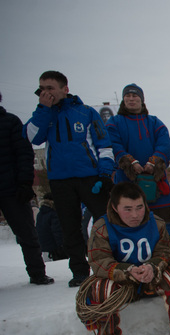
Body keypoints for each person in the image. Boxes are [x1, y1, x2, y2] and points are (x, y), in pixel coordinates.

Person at [77, 181, 170, 335]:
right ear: (114, 207)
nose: (135, 215)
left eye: (139, 207)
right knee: (99, 287)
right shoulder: (102, 227)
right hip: (122, 281)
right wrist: (127, 271)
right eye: (127, 209)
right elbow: (99, 261)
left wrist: (153, 266)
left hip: (152, 276)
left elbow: (165, 251)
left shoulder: (156, 223)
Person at [24, 70, 115, 287]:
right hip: (60, 180)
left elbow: (103, 143)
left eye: (50, 88)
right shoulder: (44, 114)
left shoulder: (86, 112)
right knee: (70, 226)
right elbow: (30, 136)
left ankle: (114, 263)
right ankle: (79, 271)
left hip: (90, 177)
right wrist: (43, 110)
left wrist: (104, 173)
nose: (45, 93)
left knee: (107, 220)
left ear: (64, 89)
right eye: (42, 89)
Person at [107, 84, 170, 233]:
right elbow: (113, 145)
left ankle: (164, 253)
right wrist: (129, 162)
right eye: (128, 96)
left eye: (135, 96)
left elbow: (165, 144)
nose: (131, 99)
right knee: (128, 222)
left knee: (161, 224)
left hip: (155, 180)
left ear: (142, 100)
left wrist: (154, 161)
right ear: (123, 99)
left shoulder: (154, 122)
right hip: (127, 180)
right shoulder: (114, 122)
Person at [1, 91, 54, 285]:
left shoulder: (10, 122)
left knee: (27, 233)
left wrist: (25, 183)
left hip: (12, 188)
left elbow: (24, 154)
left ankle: (37, 273)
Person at [36, 193, 67, 261]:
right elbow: (57, 231)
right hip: (55, 248)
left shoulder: (40, 214)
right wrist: (61, 245)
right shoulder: (53, 214)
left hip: (44, 247)